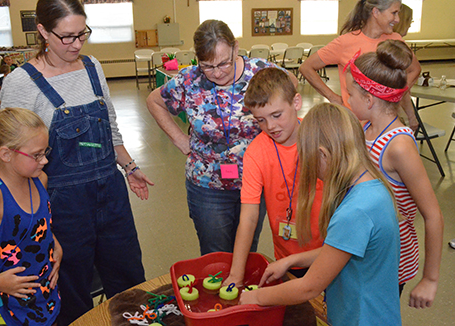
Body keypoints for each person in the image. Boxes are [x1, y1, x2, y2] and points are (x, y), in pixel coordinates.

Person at [0, 0, 153, 324]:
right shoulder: (21, 83)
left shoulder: (92, 66)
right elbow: (12, 154)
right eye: (66, 36)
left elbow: (109, 127)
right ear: (42, 31)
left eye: (82, 34)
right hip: (62, 204)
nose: (76, 44)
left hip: (111, 195)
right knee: (72, 287)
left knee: (129, 278)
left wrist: (130, 167)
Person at [239, 103, 401, 326]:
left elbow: (309, 287)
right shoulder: (371, 190)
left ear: (323, 155)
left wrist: (254, 297)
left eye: (308, 160)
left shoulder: (355, 212)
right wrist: (293, 260)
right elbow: (341, 248)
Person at [147, 20, 298, 255]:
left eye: (223, 63)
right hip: (208, 184)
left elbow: (291, 85)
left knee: (247, 250)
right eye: (208, 66)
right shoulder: (189, 80)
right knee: (215, 255)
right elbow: (154, 101)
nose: (217, 73)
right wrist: (180, 140)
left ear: (236, 49)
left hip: (255, 180)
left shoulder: (260, 71)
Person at [345, 39, 444, 308]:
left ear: (368, 99)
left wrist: (430, 279)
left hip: (389, 260)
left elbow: (433, 214)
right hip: (364, 250)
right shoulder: (365, 129)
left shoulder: (398, 145)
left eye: (350, 94)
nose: (347, 100)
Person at [0, 108, 62, 325]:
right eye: (36, 155)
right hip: (14, 311)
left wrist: (56, 245)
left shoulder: (39, 179)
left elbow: (38, 226)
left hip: (46, 298)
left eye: (45, 152)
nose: (44, 160)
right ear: (6, 154)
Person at [225, 68, 323, 286]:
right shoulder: (256, 152)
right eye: (260, 120)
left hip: (329, 253)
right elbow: (249, 218)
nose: (270, 127)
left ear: (296, 102)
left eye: (277, 115)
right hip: (286, 258)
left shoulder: (320, 138)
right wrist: (235, 274)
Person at [299, 0, 421, 131]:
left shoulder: (395, 40)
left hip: (384, 124)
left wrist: (392, 95)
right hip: (354, 125)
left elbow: (414, 70)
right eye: (394, 13)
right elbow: (306, 67)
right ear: (376, 12)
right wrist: (333, 98)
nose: (397, 19)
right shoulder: (345, 42)